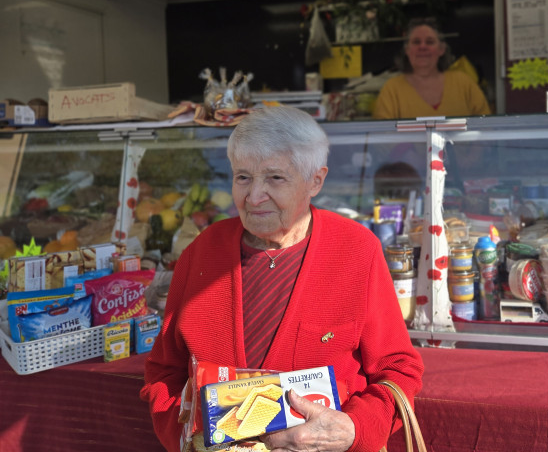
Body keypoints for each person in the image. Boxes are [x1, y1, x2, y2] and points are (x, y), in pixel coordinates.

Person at [140, 105, 424, 452]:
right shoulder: (201, 254)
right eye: (243, 177)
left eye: (275, 178)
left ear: (315, 181)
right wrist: (184, 438)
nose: (254, 196)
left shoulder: (356, 251)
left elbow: (398, 369)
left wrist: (354, 429)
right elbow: (164, 372)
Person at [372, 18, 491, 119]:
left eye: (430, 42)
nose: (422, 47)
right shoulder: (392, 89)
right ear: (407, 50)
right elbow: (381, 136)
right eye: (416, 42)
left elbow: (486, 126)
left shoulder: (463, 82)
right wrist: (403, 147)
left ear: (442, 49)